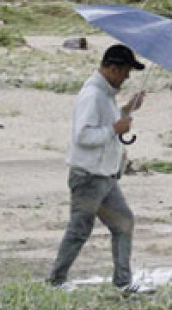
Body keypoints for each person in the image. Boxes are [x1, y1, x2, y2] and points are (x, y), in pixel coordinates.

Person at [47, 43, 149, 293]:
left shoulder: (105, 95)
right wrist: (115, 130)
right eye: (125, 72)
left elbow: (107, 119)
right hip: (89, 177)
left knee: (124, 223)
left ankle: (123, 283)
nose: (126, 78)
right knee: (79, 230)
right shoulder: (92, 95)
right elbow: (83, 136)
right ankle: (56, 281)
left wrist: (127, 108)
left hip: (105, 177)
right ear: (113, 69)